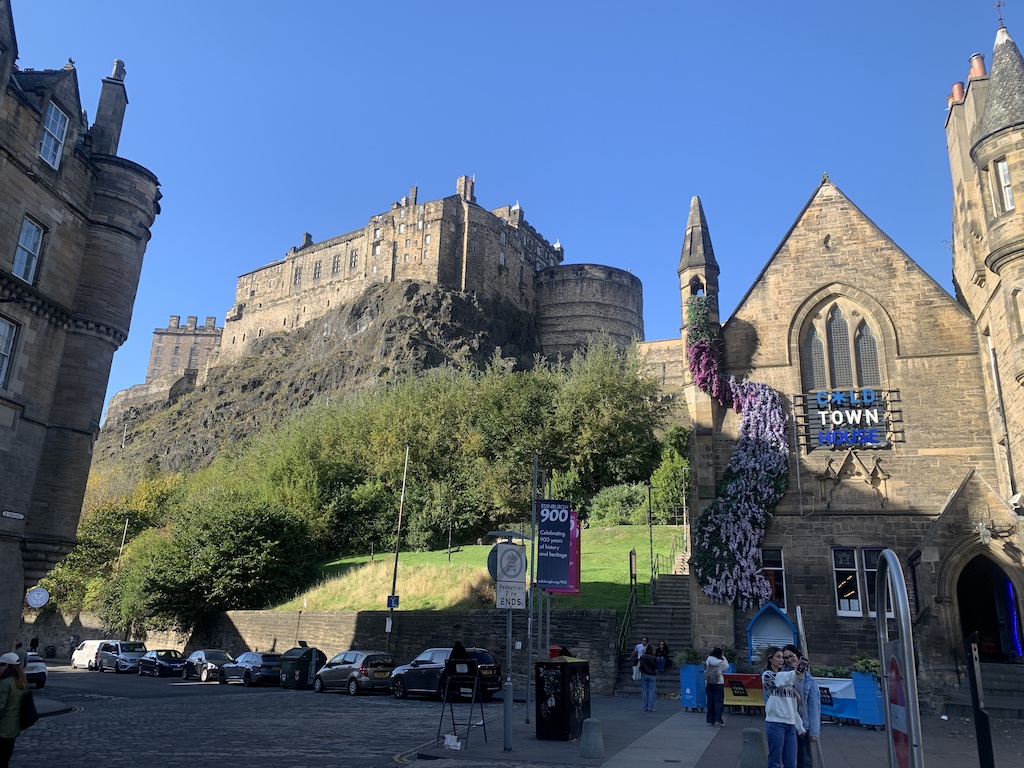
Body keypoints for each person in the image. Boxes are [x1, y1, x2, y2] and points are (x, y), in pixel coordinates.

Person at [762, 646, 805, 768]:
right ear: (770, 659)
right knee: (775, 760)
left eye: (782, 657)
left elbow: (792, 705)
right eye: (778, 657)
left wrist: (799, 727)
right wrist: (796, 673)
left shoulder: (786, 681)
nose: (781, 660)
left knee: (791, 762)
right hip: (776, 722)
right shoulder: (768, 675)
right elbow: (781, 679)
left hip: (790, 724)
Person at [784, 645, 821, 768]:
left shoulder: (809, 680)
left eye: (791, 656)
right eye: (785, 658)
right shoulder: (782, 675)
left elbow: (813, 705)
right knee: (788, 758)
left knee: (804, 759)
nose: (789, 660)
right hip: (786, 721)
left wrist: (814, 731)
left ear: (797, 655)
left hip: (803, 724)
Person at [0, 652, 27, 768]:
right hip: (14, 727)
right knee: (5, 757)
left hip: (2, 728)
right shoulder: (22, 683)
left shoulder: (5, 684)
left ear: (6, 666)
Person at [705, 646, 730, 727]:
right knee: (718, 702)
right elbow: (727, 667)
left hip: (709, 682)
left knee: (710, 701)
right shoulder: (721, 662)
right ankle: (718, 719)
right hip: (719, 682)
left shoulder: (709, 659)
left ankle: (710, 720)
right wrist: (723, 657)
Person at [638, 643, 658, 711]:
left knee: (644, 691)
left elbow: (641, 664)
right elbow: (656, 666)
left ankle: (644, 706)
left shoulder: (643, 656)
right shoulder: (654, 657)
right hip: (652, 674)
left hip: (644, 673)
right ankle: (650, 707)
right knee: (651, 691)